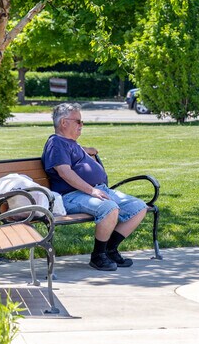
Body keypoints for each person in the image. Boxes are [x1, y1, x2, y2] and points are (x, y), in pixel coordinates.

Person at [42, 103, 148, 271]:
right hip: (72, 195)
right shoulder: (56, 143)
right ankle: (98, 256)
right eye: (78, 121)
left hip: (96, 190)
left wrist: (87, 150)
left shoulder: (69, 143)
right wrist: (91, 190)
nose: (81, 125)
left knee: (139, 207)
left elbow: (73, 154)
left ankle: (110, 250)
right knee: (109, 208)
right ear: (63, 123)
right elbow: (64, 173)